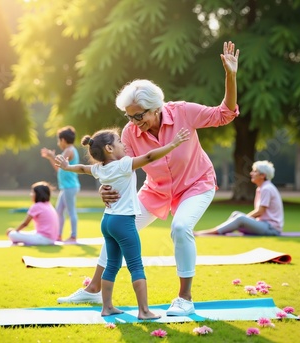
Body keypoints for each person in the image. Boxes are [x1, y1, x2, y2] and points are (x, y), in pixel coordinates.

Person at [57, 41, 240, 317]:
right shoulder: (131, 133)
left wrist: (230, 75)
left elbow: (224, 114)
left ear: (155, 108)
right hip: (155, 190)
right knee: (118, 225)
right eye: (129, 116)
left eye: (138, 115)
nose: (133, 122)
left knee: (180, 228)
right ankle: (94, 289)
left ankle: (185, 297)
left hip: (196, 184)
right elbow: (117, 168)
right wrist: (105, 189)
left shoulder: (183, 112)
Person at [55, 127, 190, 319]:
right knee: (136, 266)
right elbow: (150, 157)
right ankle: (143, 311)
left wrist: (67, 167)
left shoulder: (100, 168)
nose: (123, 144)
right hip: (124, 222)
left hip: (107, 221)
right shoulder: (123, 164)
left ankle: (107, 307)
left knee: (112, 265)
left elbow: (84, 169)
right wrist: (173, 144)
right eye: (119, 141)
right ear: (109, 148)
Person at [195, 161, 284, 236]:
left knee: (240, 218)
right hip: (264, 225)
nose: (251, 173)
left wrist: (244, 219)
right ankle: (222, 230)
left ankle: (212, 232)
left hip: (271, 228)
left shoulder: (266, 188)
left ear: (263, 175)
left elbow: (260, 211)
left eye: (255, 171)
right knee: (236, 214)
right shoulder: (262, 188)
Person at [41, 126, 81, 242]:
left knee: (71, 211)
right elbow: (59, 169)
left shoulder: (69, 151)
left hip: (70, 187)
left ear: (63, 140)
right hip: (66, 187)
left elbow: (59, 162)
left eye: (59, 140)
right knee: (58, 211)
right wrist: (50, 158)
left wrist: (51, 155)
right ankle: (58, 235)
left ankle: (73, 236)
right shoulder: (67, 151)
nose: (58, 143)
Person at [6, 181, 59, 245]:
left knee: (12, 234)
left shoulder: (36, 206)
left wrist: (15, 231)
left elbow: (25, 223)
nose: (30, 194)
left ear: (38, 194)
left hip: (43, 239)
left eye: (32, 192)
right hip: (51, 239)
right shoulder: (48, 205)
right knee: (29, 233)